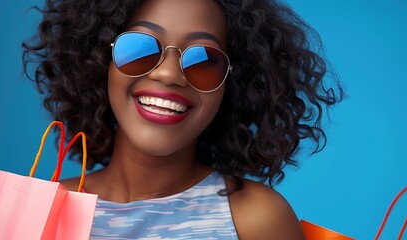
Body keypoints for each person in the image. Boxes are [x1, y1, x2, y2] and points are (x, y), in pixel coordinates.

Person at [23, 0, 342, 239]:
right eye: (140, 48)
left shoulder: (257, 219)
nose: (168, 73)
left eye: (205, 60)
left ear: (234, 84)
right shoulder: (36, 213)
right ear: (100, 60)